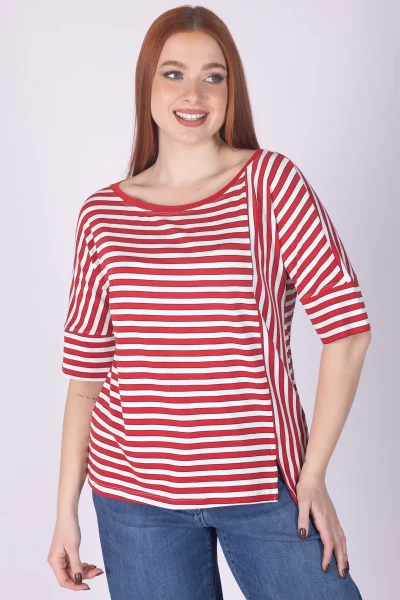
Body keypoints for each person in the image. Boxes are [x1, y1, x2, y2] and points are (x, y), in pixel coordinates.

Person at [47, 5, 371, 599]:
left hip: (265, 486)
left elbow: (346, 331)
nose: (192, 93)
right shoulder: (103, 215)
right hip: (134, 500)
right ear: (147, 85)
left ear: (231, 90)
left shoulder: (271, 185)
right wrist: (66, 509)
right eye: (173, 73)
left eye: (212, 76)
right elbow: (87, 376)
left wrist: (313, 475)